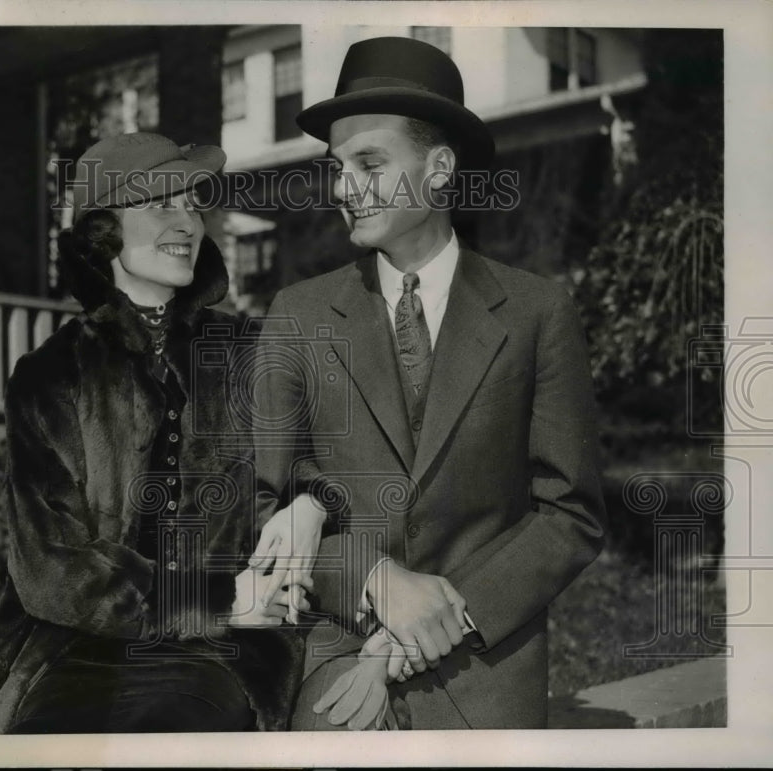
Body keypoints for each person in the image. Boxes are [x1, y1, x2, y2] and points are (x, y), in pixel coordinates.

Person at [252, 36, 607, 730]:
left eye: (370, 162)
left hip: (483, 660)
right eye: (337, 167)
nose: (344, 187)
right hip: (339, 655)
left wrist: (443, 615)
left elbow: (570, 514)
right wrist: (375, 579)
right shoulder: (297, 315)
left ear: (440, 169)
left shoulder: (537, 312)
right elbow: (261, 509)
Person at [0, 132, 306, 734]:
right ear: (103, 229)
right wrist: (210, 600)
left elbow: (294, 487)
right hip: (78, 645)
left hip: (222, 651)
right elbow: (51, 564)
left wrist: (299, 523)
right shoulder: (50, 375)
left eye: (194, 204)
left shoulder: (249, 353)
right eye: (163, 204)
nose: (188, 223)